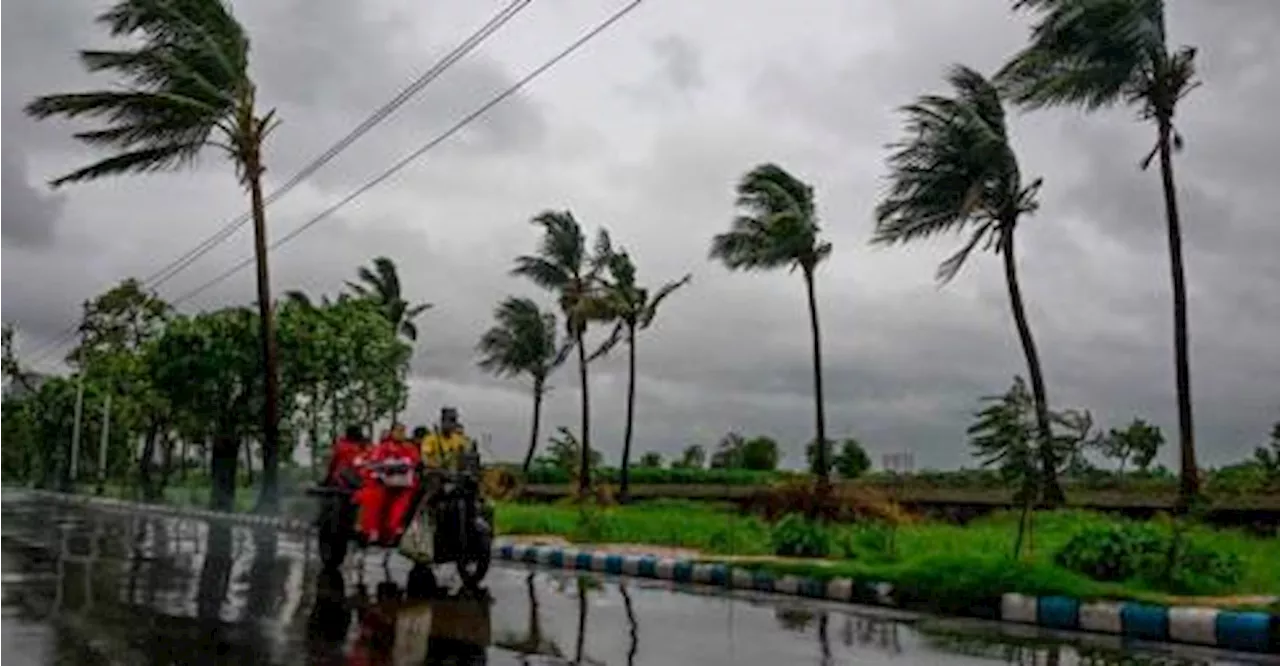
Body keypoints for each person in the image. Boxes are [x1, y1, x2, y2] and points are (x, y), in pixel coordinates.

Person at [358, 423, 421, 545]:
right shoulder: (382, 448)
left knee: (399, 510)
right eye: (398, 431)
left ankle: (395, 532)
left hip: (404, 486)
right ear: (392, 432)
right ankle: (374, 532)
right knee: (374, 500)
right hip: (384, 485)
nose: (401, 434)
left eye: (403, 431)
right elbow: (373, 464)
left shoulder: (409, 448)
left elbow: (415, 463)